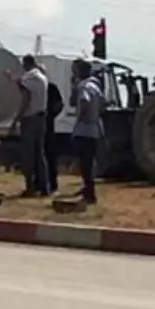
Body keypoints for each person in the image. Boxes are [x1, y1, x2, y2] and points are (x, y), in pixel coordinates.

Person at [14, 54, 50, 197]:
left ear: (25, 64)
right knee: (40, 154)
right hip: (41, 117)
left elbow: (26, 98)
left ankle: (30, 187)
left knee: (28, 154)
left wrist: (17, 117)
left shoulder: (29, 78)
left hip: (30, 118)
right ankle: (44, 186)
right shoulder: (42, 78)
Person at [70, 59, 104, 204]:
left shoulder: (84, 86)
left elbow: (83, 101)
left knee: (85, 164)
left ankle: (89, 194)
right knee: (90, 162)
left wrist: (82, 116)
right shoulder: (96, 86)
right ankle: (88, 189)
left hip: (84, 129)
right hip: (95, 129)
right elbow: (102, 104)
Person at [44, 80, 65, 194]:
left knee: (50, 154)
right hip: (38, 123)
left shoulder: (51, 87)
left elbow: (59, 104)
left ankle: (53, 183)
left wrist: (50, 115)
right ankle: (39, 182)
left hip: (48, 125)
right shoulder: (34, 87)